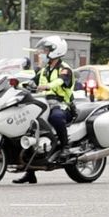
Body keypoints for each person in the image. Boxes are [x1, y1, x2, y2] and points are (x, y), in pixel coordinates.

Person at [13, 35, 75, 185]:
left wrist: (46, 86)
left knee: (56, 117)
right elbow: (31, 82)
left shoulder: (65, 69)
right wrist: (17, 85)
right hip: (44, 103)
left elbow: (61, 81)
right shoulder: (44, 70)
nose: (42, 53)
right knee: (30, 130)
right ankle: (30, 172)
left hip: (62, 105)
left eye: (46, 50)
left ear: (55, 52)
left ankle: (65, 147)